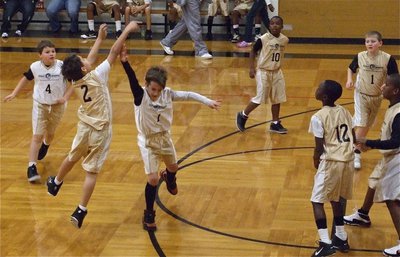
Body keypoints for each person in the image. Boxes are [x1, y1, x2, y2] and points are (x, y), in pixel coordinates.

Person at [46, 22, 139, 229]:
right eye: (82, 60)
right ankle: (81, 209)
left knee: (72, 156)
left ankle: (56, 183)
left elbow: (88, 60)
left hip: (84, 125)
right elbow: (114, 51)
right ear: (83, 68)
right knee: (91, 172)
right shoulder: (97, 77)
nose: (86, 60)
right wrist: (127, 30)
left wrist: (99, 39)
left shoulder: (75, 82)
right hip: (100, 130)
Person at [120, 45, 221, 231]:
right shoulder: (140, 95)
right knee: (151, 179)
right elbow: (132, 80)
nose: (155, 93)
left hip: (165, 138)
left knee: (174, 167)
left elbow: (189, 94)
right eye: (152, 89)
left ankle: (169, 176)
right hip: (148, 141)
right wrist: (125, 63)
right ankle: (149, 214)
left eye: (158, 90)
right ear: (147, 84)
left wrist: (208, 102)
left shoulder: (168, 94)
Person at [344, 73, 400, 256]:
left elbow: (396, 142)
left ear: (396, 91)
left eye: (387, 85)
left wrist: (370, 142)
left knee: (392, 199)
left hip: (397, 158)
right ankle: (363, 215)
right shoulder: (394, 107)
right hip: (390, 156)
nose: (383, 87)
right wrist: (369, 144)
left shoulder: (399, 114)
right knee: (374, 182)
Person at [3, 40, 67, 183]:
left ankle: (46, 144)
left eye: (53, 51)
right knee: (36, 136)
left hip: (57, 106)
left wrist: (65, 97)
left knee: (50, 134)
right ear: (40, 55)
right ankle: (31, 167)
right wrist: (14, 93)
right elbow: (25, 79)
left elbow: (75, 82)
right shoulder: (35, 67)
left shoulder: (62, 66)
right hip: (40, 105)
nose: (51, 54)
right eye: (47, 52)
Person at [308, 80, 355, 257]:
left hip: (332, 161)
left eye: (319, 87)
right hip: (347, 159)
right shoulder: (344, 110)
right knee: (336, 198)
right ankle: (341, 237)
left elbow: (319, 146)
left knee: (317, 200)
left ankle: (325, 242)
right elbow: (352, 133)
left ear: (324, 96)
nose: (317, 88)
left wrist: (315, 159)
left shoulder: (318, 117)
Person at [345, 31, 399, 169]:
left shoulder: (387, 59)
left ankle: (350, 129)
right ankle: (354, 152)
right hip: (361, 94)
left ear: (380, 43)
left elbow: (394, 77)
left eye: (373, 41)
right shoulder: (360, 56)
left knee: (367, 125)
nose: (370, 44)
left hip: (377, 96)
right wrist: (350, 80)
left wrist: (385, 84)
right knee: (362, 123)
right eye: (367, 41)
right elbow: (351, 68)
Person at [236, 16, 289, 133]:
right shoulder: (263, 39)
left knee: (277, 98)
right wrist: (251, 68)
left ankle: (275, 123)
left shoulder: (284, 39)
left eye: (277, 24)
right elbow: (253, 51)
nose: (274, 26)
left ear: (282, 26)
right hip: (263, 71)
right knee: (260, 98)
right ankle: (243, 115)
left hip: (277, 72)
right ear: (269, 26)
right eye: (272, 23)